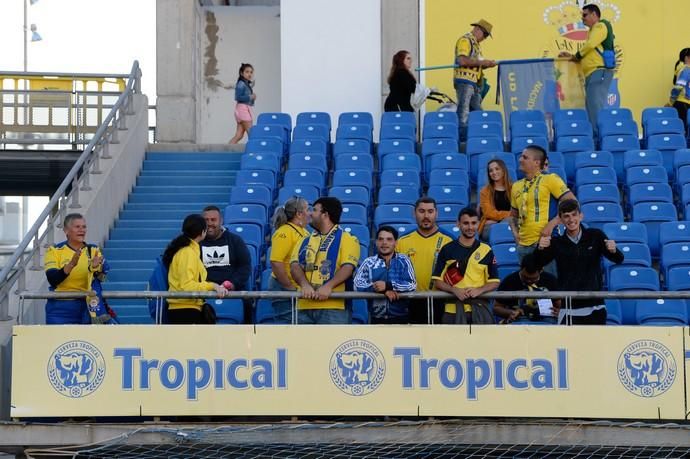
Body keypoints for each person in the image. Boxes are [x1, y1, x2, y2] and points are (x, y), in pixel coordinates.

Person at [533, 199, 624, 325]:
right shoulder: (556, 243)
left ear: (581, 216)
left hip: (595, 306)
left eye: (574, 215)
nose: (571, 220)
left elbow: (619, 259)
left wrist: (614, 250)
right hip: (569, 308)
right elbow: (534, 266)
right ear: (561, 220)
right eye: (566, 216)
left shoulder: (596, 236)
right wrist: (540, 249)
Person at [290, 197, 360, 324]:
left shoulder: (348, 239)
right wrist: (304, 285)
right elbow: (295, 265)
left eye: (315, 210)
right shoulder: (304, 240)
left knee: (333, 344)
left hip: (334, 307)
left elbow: (348, 268)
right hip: (304, 305)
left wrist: (328, 287)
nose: (310, 213)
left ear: (325, 215)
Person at [510, 146, 576, 274]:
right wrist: (516, 235)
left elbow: (572, 202)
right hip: (523, 246)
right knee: (529, 287)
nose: (520, 160)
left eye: (524, 157)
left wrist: (553, 223)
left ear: (536, 162)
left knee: (549, 288)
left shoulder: (550, 179)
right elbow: (513, 215)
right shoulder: (516, 186)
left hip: (546, 243)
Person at [432, 207, 499, 324]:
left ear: (478, 224)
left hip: (479, 308)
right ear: (458, 224)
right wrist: (454, 290)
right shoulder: (447, 249)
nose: (470, 227)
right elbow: (437, 281)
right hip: (452, 310)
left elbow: (495, 281)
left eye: (473, 223)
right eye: (465, 223)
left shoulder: (486, 249)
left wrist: (480, 290)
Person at [558, 4, 615, 135]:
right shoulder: (594, 30)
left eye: (585, 15)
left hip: (599, 72)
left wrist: (576, 56)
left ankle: (599, 140)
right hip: (594, 73)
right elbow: (591, 50)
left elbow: (590, 45)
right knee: (591, 108)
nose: (582, 18)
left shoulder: (601, 25)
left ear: (594, 15)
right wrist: (574, 56)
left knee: (595, 108)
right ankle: (597, 138)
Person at [396, 197, 453, 324]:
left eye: (430, 211)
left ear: (436, 213)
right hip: (410, 301)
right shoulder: (402, 241)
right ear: (414, 213)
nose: (426, 216)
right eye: (421, 211)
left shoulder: (449, 241)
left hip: (440, 301)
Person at [163, 214, 228, 324]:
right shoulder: (187, 253)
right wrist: (212, 285)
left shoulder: (189, 251)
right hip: (184, 311)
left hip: (188, 309)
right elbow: (187, 286)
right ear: (202, 232)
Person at [44, 213, 109, 324]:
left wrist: (96, 268)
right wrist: (71, 265)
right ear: (66, 231)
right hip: (60, 308)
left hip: (88, 307)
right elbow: (53, 279)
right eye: (77, 227)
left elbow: (103, 278)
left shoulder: (93, 250)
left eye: (84, 227)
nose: (82, 230)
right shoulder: (54, 251)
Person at [353, 226, 417, 324]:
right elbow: (357, 284)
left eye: (389, 239)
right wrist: (380, 290)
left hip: (402, 317)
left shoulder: (404, 260)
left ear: (396, 243)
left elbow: (412, 284)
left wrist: (388, 286)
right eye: (381, 239)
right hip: (376, 318)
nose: (384, 243)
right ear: (376, 242)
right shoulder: (369, 262)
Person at [200, 205, 252, 322]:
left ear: (221, 221)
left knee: (248, 303)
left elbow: (245, 267)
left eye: (213, 220)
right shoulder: (196, 243)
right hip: (204, 290)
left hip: (232, 290)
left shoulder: (235, 241)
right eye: (206, 220)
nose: (209, 224)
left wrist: (232, 283)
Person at [454, 19, 497, 143]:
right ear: (478, 30)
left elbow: (474, 63)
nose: (485, 38)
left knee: (477, 113)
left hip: (474, 83)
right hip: (465, 81)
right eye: (486, 35)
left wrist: (485, 64)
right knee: (464, 112)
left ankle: (478, 137)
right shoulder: (465, 40)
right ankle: (462, 141)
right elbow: (462, 61)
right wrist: (483, 63)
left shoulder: (475, 44)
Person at [269, 197, 310, 324]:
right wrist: (289, 287)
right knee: (290, 323)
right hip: (284, 287)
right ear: (299, 213)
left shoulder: (304, 232)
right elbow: (276, 262)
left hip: (297, 287)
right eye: (307, 209)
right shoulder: (285, 232)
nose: (310, 213)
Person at [493, 254, 560, 324]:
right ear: (521, 269)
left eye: (533, 279)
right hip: (519, 319)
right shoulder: (509, 281)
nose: (529, 281)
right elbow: (496, 308)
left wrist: (559, 312)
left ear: (541, 271)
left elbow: (559, 305)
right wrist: (511, 313)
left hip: (546, 319)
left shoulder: (550, 280)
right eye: (525, 277)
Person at [478, 159, 513, 241]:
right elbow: (488, 213)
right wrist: (509, 214)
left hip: (509, 224)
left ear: (503, 170)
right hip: (490, 227)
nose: (494, 172)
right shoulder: (484, 191)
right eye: (491, 171)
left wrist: (497, 220)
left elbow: (519, 211)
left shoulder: (514, 188)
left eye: (497, 169)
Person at [229, 63, 256, 144]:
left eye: (251, 72)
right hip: (243, 110)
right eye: (247, 72)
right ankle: (255, 152)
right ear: (241, 73)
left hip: (242, 109)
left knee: (239, 135)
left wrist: (252, 98)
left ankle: (226, 150)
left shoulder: (246, 84)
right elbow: (237, 97)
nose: (249, 74)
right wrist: (250, 97)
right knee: (251, 134)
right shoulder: (241, 83)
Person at [669, 48, 690, 126]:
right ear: (687, 58)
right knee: (684, 129)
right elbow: (678, 87)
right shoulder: (686, 70)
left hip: (685, 104)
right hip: (683, 104)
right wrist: (671, 102)